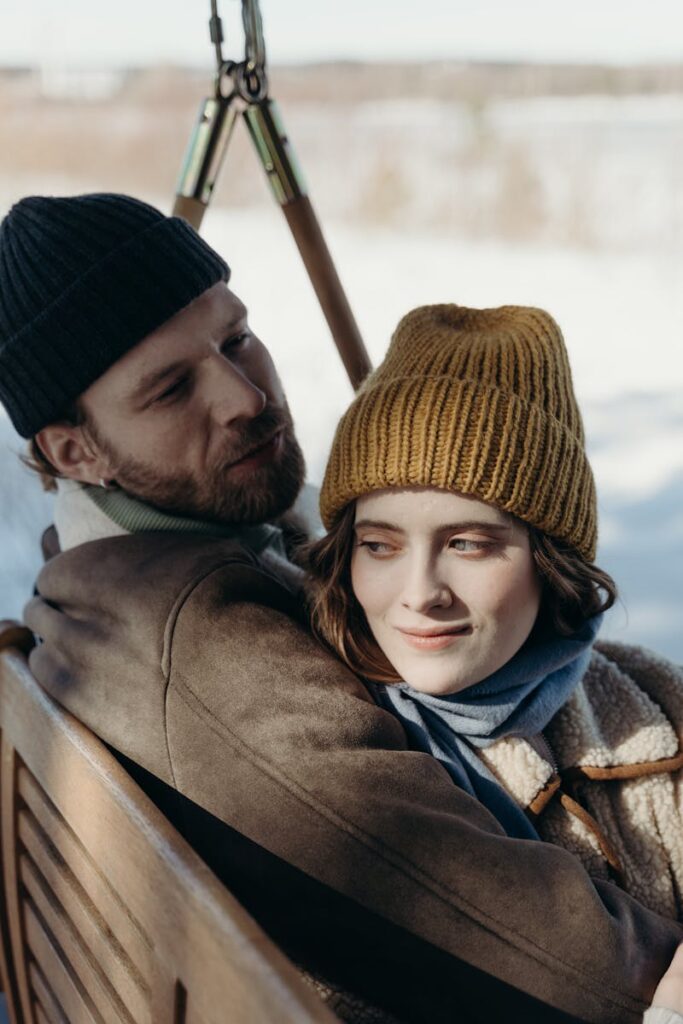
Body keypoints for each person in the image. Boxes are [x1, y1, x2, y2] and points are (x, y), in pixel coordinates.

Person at [1, 193, 681, 1023]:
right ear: (76, 451)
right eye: (172, 389)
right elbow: (530, 949)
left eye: (236, 338)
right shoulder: (196, 644)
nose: (244, 395)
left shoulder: (151, 547)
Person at [306, 302, 683, 1015]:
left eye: (467, 544)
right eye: (379, 545)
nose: (418, 595)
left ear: (548, 557)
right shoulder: (329, 743)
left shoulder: (656, 708)